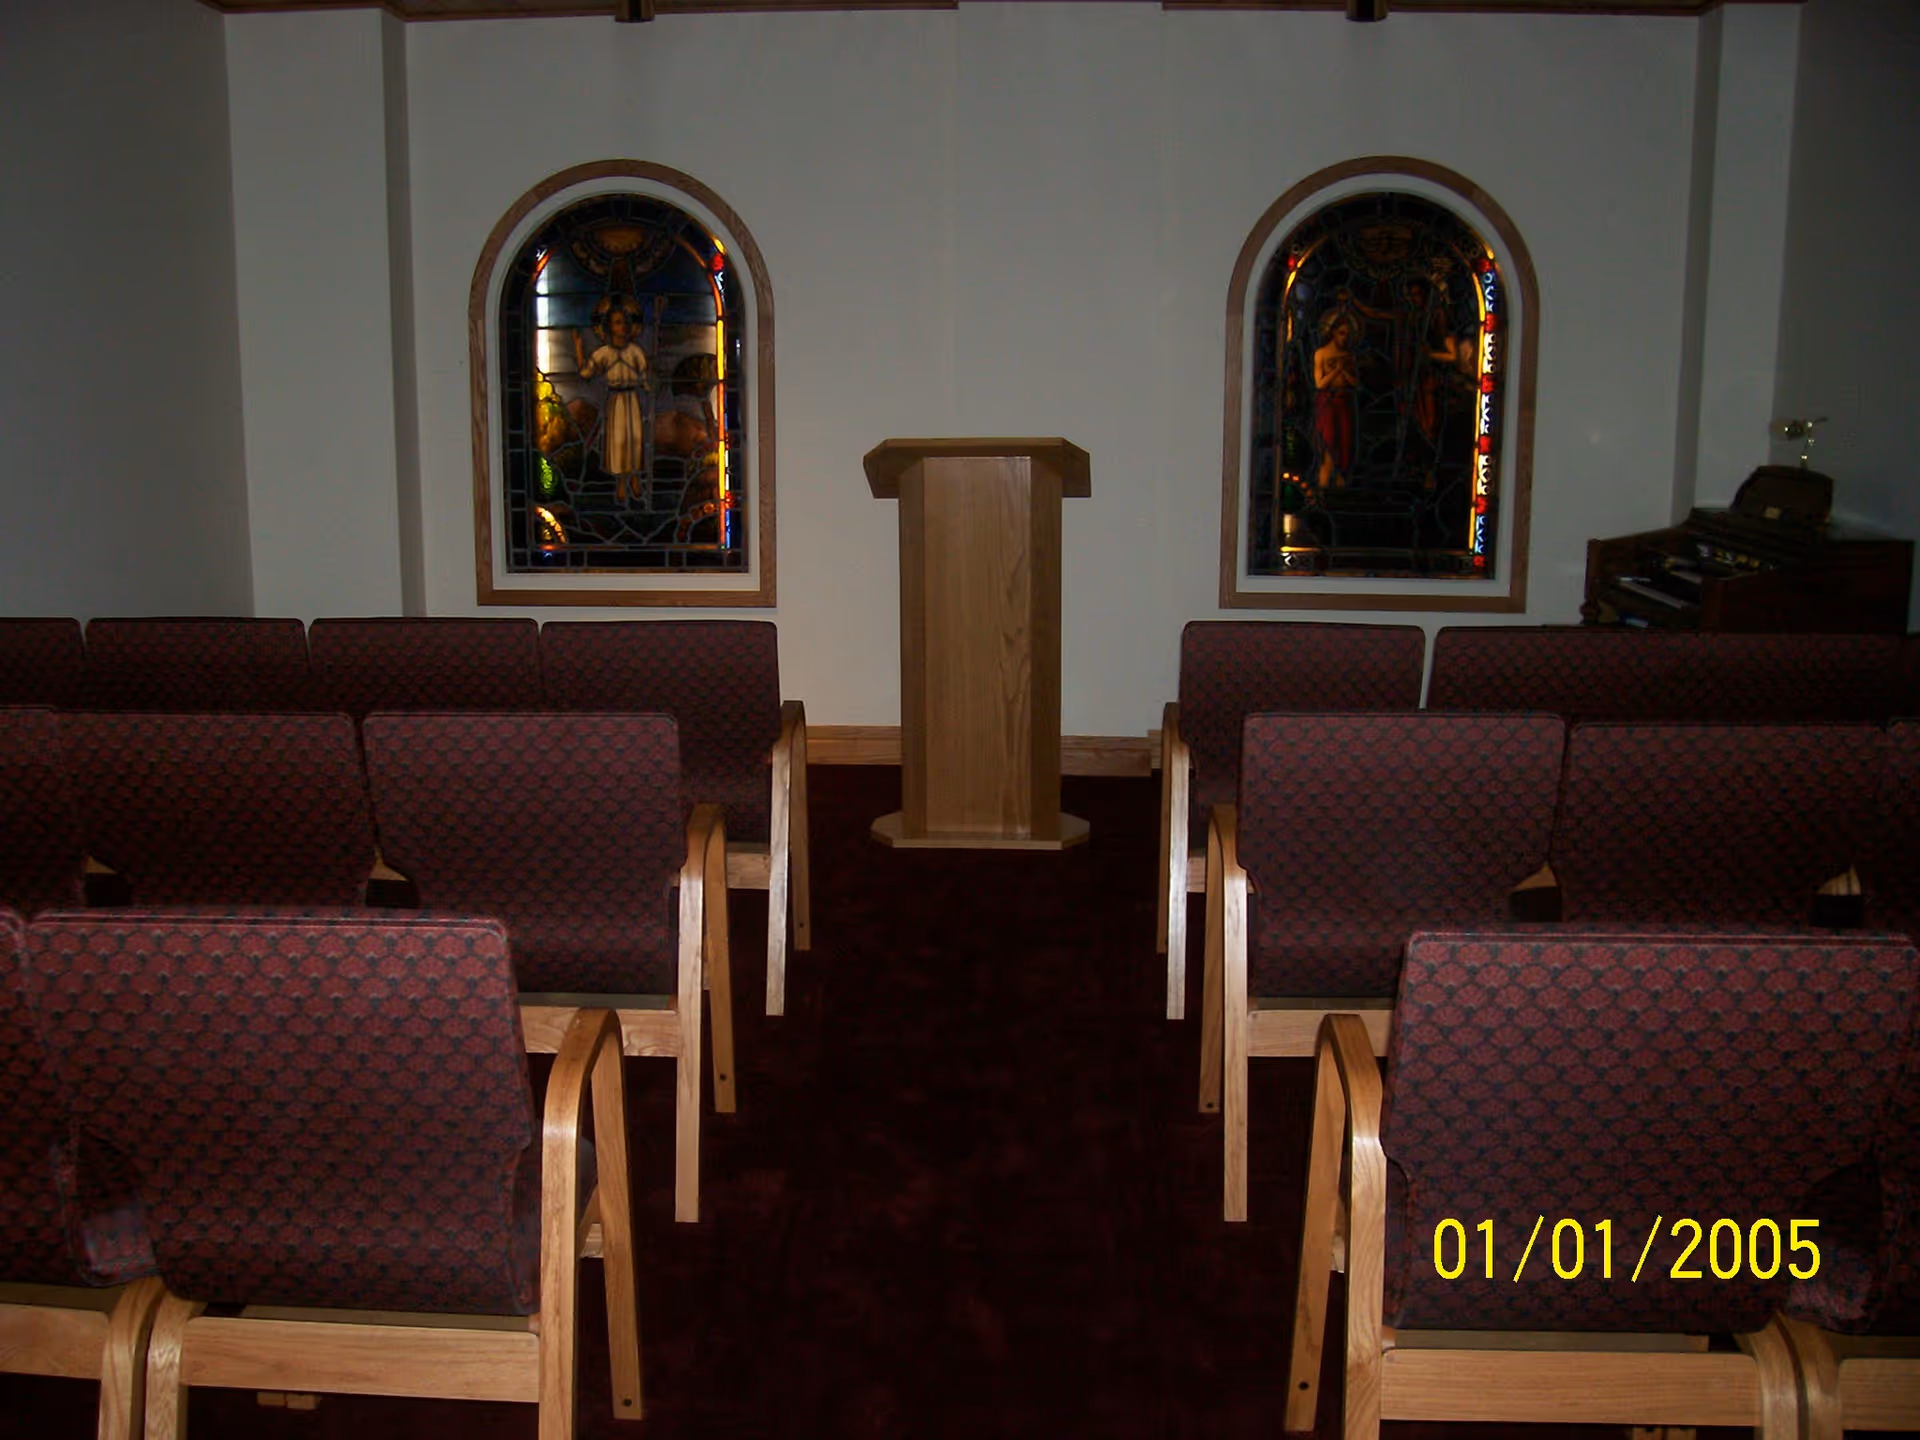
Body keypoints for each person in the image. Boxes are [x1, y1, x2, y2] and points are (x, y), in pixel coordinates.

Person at [574, 294, 650, 504]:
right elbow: (586, 372)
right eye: (618, 322)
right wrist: (579, 349)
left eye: (626, 321)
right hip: (615, 402)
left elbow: (645, 375)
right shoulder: (604, 353)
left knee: (634, 440)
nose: (623, 326)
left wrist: (648, 382)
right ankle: (620, 485)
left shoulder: (635, 351)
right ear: (609, 327)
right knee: (618, 443)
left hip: (631, 400)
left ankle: (635, 480)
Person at [1312, 308, 1358, 489]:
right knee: (1329, 442)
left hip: (1344, 404)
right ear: (1332, 332)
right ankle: (1323, 488)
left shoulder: (1349, 356)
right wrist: (1336, 370)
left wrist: (1344, 371)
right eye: (1341, 333)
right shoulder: (1321, 354)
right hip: (1327, 404)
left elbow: (1355, 383)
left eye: (1347, 334)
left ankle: (1341, 487)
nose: (1344, 338)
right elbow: (1319, 384)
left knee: (1345, 443)